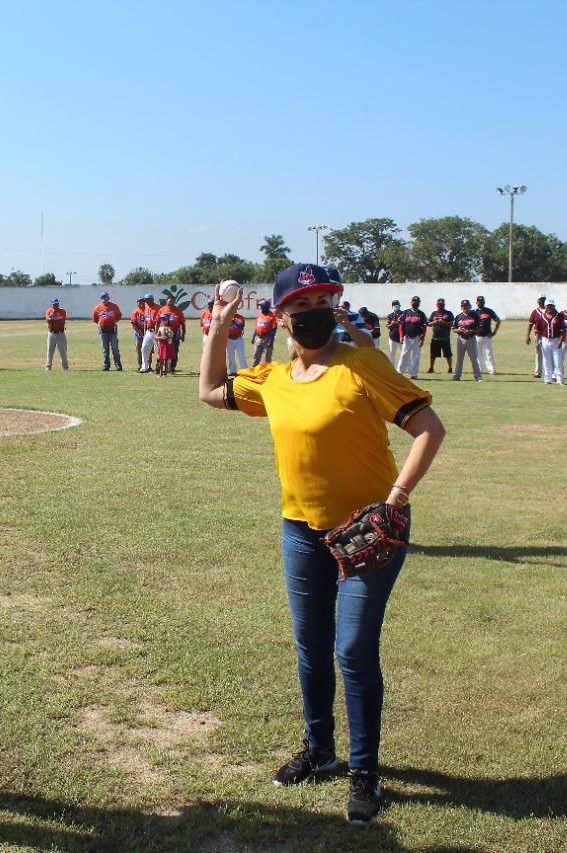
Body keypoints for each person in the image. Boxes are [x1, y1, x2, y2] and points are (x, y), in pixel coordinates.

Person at [197, 262, 444, 827]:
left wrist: (397, 496)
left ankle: (364, 772)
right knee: (311, 647)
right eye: (301, 306)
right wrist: (218, 320)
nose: (314, 314)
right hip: (300, 532)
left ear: (336, 307)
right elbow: (211, 391)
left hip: (365, 531)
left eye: (323, 302)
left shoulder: (362, 365)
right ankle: (320, 750)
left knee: (353, 649)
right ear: (281, 315)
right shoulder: (273, 379)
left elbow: (429, 427)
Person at [533, 301, 566, 384]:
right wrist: (537, 343)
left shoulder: (559, 316)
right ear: (546, 307)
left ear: (554, 306)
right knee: (546, 360)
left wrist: (560, 341)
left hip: (556, 340)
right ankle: (547, 379)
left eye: (551, 306)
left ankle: (559, 379)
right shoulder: (541, 317)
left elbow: (563, 331)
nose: (549, 308)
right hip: (545, 340)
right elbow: (538, 331)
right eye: (548, 306)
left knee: (558, 361)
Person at [91, 291, 124, 371]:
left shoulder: (114, 306)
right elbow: (95, 319)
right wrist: (102, 324)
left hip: (112, 330)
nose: (104, 299)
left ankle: (118, 365)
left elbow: (119, 316)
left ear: (108, 298)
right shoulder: (97, 307)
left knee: (115, 348)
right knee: (105, 349)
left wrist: (112, 322)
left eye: (105, 297)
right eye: (103, 297)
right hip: (102, 331)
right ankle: (106, 365)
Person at [450, 299, 482, 381]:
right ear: (461, 307)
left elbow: (480, 328)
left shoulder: (475, 315)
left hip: (471, 339)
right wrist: (460, 330)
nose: (465, 307)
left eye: (467, 305)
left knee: (474, 359)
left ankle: (478, 377)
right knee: (459, 359)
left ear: (470, 306)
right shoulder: (458, 316)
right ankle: (456, 376)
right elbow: (453, 329)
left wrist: (471, 331)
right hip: (461, 339)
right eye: (463, 306)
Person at [397, 296, 427, 379]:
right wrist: (401, 336)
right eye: (414, 301)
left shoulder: (421, 314)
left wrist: (422, 339)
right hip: (407, 337)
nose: (415, 302)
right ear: (411, 302)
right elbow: (401, 325)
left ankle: (414, 374)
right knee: (404, 355)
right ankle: (399, 372)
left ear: (419, 303)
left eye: (417, 301)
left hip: (417, 337)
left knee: (416, 356)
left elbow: (424, 328)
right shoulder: (405, 312)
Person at [156, 296, 185, 374]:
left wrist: (183, 335)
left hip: (175, 333)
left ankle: (172, 367)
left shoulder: (178, 310)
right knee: (161, 350)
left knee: (174, 350)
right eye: (169, 301)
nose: (170, 303)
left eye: (172, 301)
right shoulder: (162, 309)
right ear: (166, 301)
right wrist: (157, 333)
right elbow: (157, 322)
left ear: (174, 301)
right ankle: (159, 367)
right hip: (163, 332)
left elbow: (182, 323)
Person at [473, 295, 500, 375]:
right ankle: (479, 369)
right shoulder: (474, 312)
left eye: (482, 301)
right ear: (476, 302)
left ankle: (492, 370)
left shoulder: (489, 311)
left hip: (487, 336)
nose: (481, 303)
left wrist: (494, 332)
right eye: (479, 301)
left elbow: (497, 320)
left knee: (488, 353)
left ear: (484, 302)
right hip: (477, 336)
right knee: (478, 354)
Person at [426, 298, 453, 373]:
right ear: (437, 305)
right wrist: (434, 322)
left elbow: (452, 324)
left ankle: (450, 368)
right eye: (439, 304)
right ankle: (431, 368)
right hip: (435, 338)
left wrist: (443, 322)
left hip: (445, 338)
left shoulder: (448, 313)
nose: (440, 306)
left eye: (441, 304)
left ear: (444, 304)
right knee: (433, 354)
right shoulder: (434, 313)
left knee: (448, 354)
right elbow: (429, 324)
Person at [525, 295, 548, 378]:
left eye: (542, 299)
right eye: (539, 300)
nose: (541, 301)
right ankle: (538, 372)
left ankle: (549, 372)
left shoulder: (549, 310)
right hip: (538, 335)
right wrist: (527, 336)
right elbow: (530, 324)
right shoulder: (535, 312)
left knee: (548, 353)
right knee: (538, 352)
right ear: (537, 301)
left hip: (549, 336)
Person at [137, 293, 160, 372]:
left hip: (157, 331)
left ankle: (161, 366)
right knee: (144, 348)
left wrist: (157, 333)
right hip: (148, 332)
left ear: (152, 299)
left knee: (160, 349)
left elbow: (159, 322)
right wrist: (145, 332)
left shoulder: (158, 308)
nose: (146, 301)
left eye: (147, 300)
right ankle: (144, 367)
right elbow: (146, 322)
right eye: (145, 300)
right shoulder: (146, 308)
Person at [44, 298, 69, 371]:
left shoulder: (62, 311)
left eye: (57, 304)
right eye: (54, 304)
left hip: (60, 333)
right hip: (51, 333)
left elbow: (62, 320)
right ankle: (48, 366)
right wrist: (53, 319)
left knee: (63, 351)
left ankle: (65, 367)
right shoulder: (49, 311)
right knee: (50, 351)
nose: (56, 305)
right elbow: (47, 320)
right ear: (52, 304)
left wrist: (53, 319)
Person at [252, 299, 277, 365]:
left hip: (267, 338)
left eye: (262, 306)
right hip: (259, 338)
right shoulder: (259, 315)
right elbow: (256, 327)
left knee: (267, 358)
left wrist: (271, 340)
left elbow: (273, 330)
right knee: (256, 356)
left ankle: (267, 373)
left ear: (266, 307)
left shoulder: (271, 316)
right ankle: (254, 370)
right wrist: (253, 336)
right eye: (260, 306)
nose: (260, 307)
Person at [130, 297, 151, 368]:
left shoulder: (148, 310)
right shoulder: (135, 312)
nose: (141, 303)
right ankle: (140, 366)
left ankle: (149, 366)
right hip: (139, 333)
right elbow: (133, 323)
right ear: (137, 303)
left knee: (149, 350)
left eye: (142, 302)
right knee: (139, 350)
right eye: (139, 302)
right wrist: (140, 333)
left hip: (148, 332)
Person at [384, 300, 403, 365]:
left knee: (404, 353)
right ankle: (392, 367)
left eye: (397, 304)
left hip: (401, 337)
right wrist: (394, 324)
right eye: (395, 305)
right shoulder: (390, 315)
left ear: (400, 305)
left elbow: (403, 324)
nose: (396, 306)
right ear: (392, 306)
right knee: (392, 353)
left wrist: (395, 323)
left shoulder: (403, 314)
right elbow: (388, 326)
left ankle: (406, 367)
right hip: (392, 337)